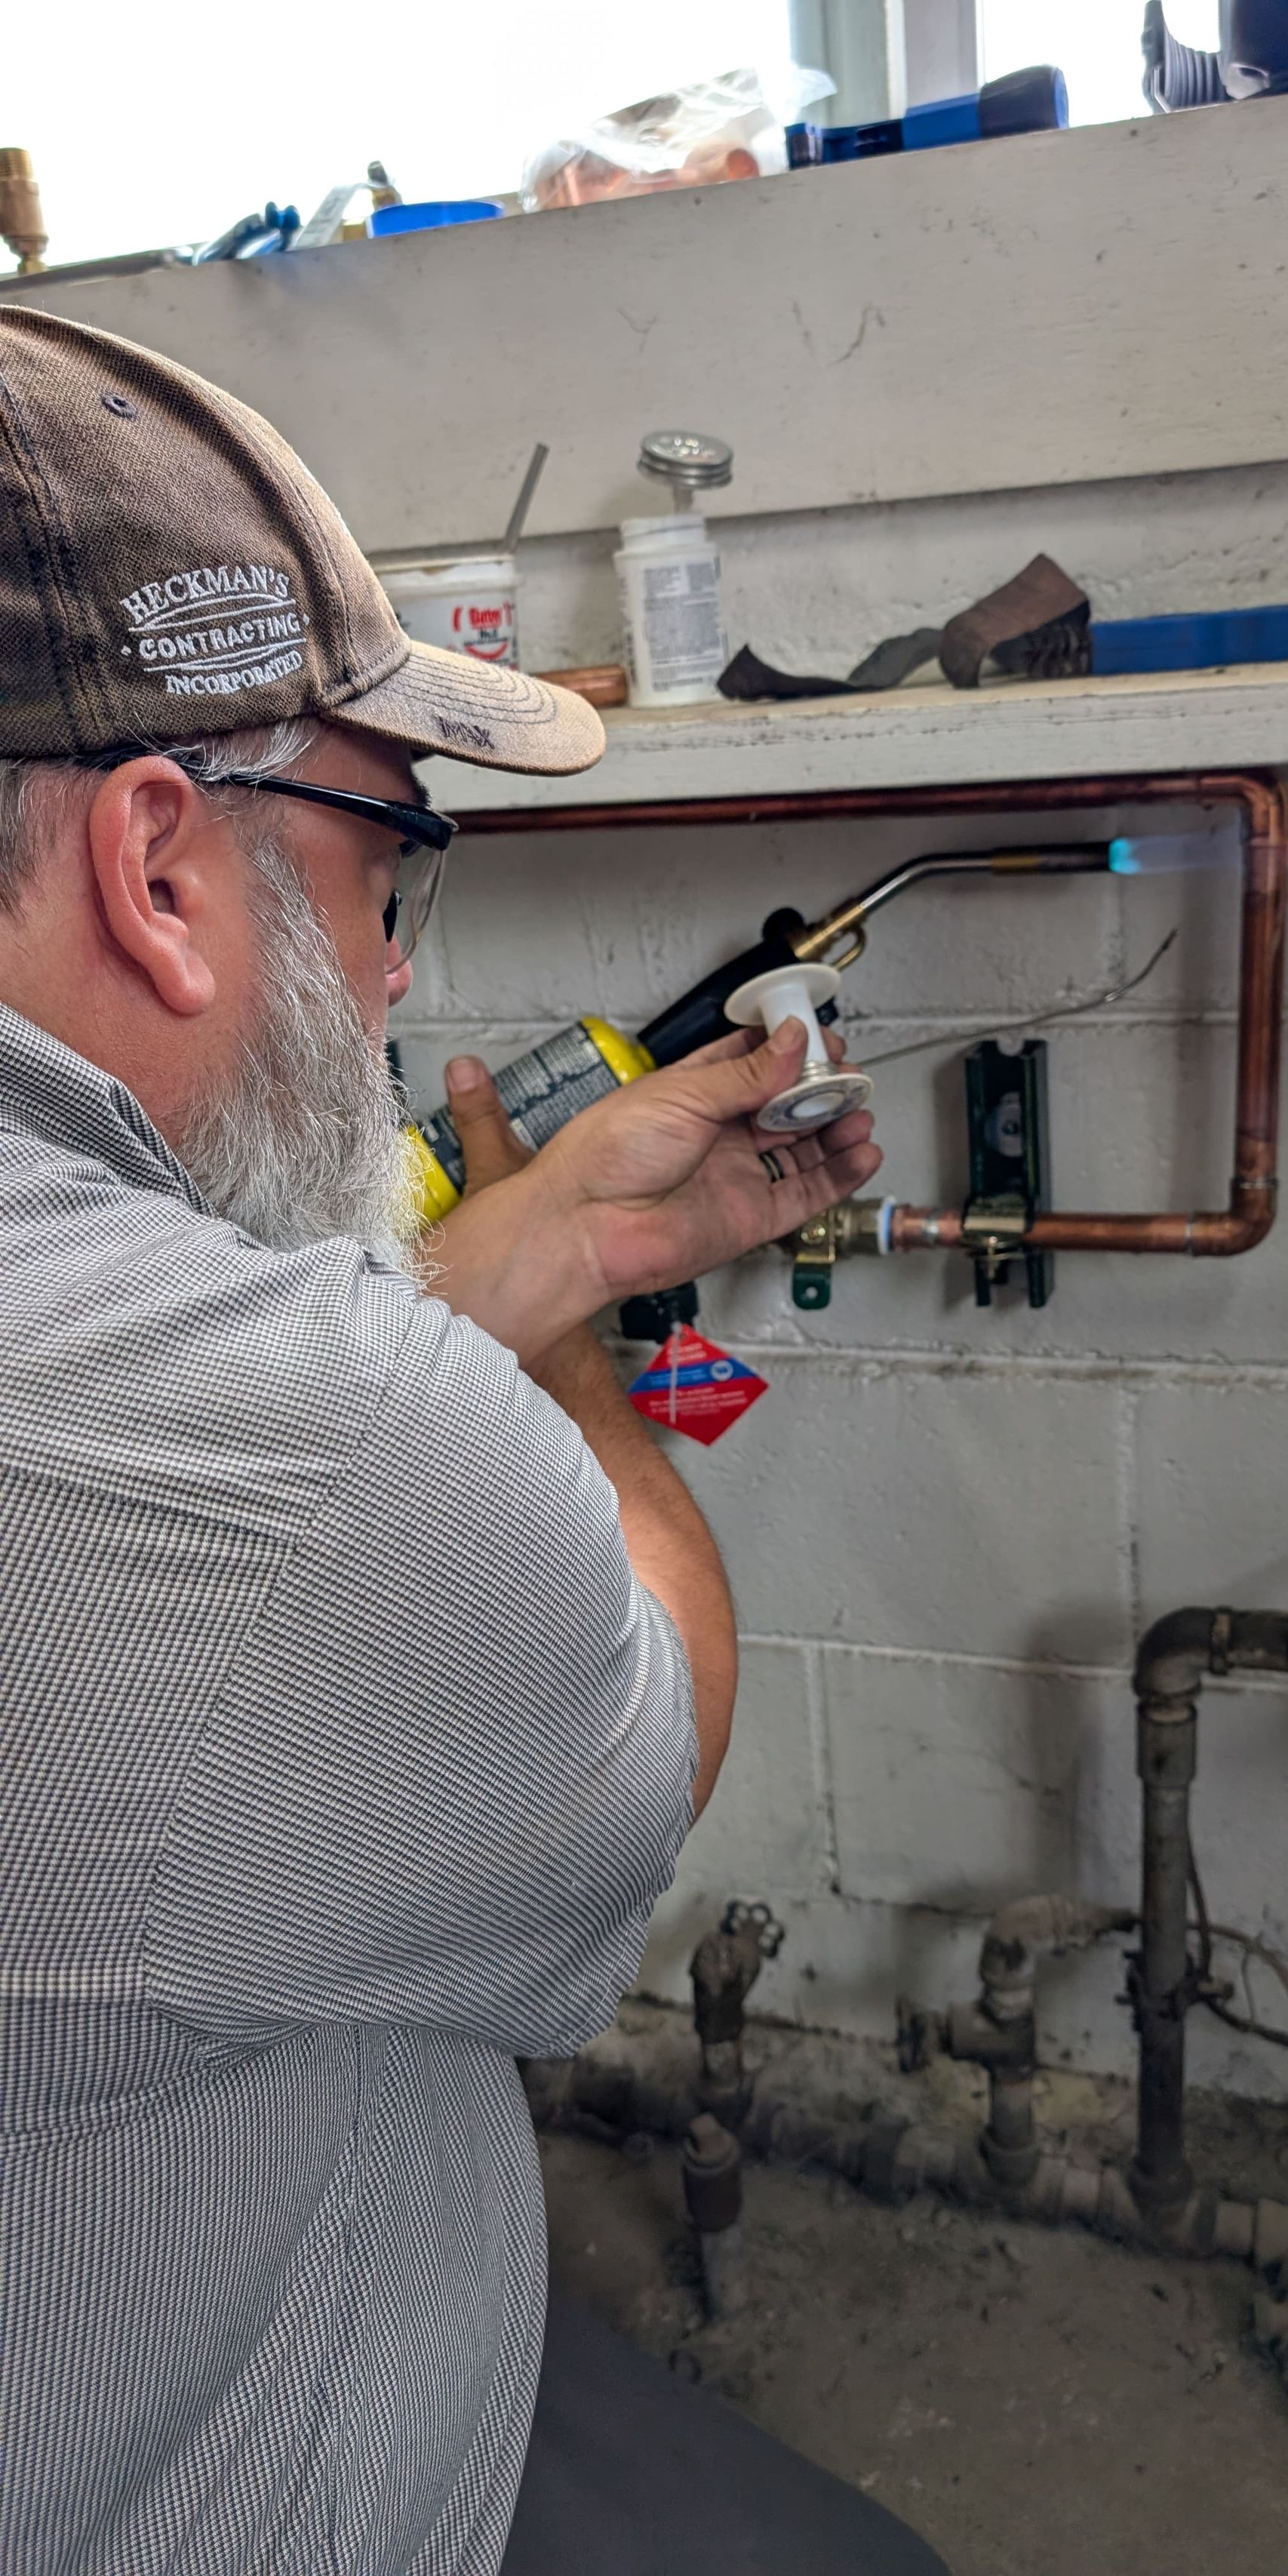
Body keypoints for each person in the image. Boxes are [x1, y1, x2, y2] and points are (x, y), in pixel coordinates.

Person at [0, 308, 947, 2574]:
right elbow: (651, 1717)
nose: (400, 969)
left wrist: (513, 1253)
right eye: (386, 856)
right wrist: (576, 1351)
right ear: (157, 866)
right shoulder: (332, 1470)